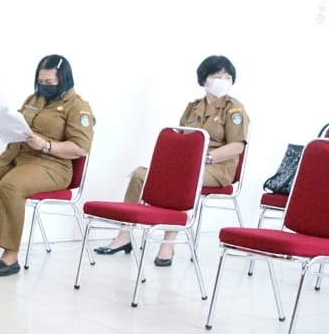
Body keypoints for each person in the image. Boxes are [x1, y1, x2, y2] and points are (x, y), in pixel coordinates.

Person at [0, 55, 95, 277]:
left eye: (50, 82)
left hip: (51, 165)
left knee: (10, 186)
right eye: (41, 81)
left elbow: (80, 148)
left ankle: (10, 256)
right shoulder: (34, 99)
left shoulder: (78, 107)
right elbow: (20, 125)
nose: (44, 86)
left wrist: (46, 145)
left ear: (64, 79)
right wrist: (4, 128)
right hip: (13, 157)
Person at [94, 55, 248, 266]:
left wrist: (206, 158)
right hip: (186, 166)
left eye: (227, 77)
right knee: (140, 175)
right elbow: (180, 139)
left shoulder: (234, 109)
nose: (222, 81)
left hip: (217, 168)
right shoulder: (193, 108)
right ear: (204, 79)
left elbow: (237, 146)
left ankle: (168, 242)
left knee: (181, 181)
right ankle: (124, 235)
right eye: (217, 76)